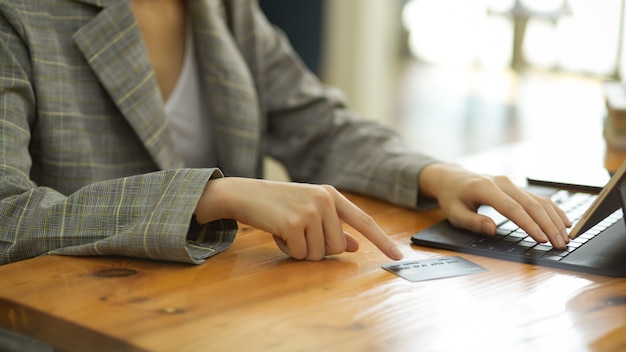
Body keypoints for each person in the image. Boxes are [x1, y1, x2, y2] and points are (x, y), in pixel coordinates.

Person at [0, 0, 572, 266]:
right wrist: (207, 197)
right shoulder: (20, 17)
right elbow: (7, 216)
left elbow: (318, 127)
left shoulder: (223, 9)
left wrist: (435, 174)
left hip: (217, 315)